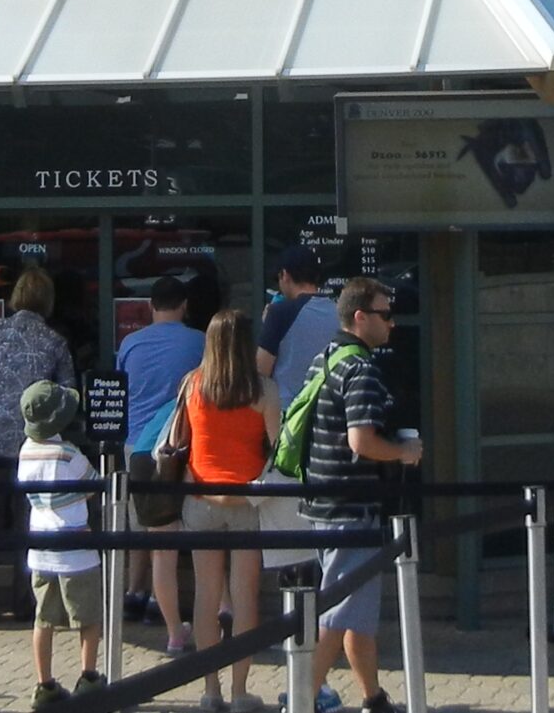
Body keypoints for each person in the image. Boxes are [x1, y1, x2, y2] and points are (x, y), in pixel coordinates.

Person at [302, 277, 421, 713]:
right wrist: (404, 453)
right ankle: (299, 700)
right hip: (350, 506)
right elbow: (361, 442)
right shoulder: (361, 368)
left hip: (325, 502)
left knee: (355, 609)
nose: (392, 323)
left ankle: (372, 697)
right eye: (385, 314)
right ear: (360, 316)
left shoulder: (327, 357)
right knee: (335, 613)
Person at [176, 309, 281, 713]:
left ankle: (210, 689)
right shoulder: (264, 390)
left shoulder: (192, 385)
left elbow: (182, 443)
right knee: (244, 597)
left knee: (205, 595)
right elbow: (278, 451)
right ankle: (240, 692)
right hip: (246, 500)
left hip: (201, 499)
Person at [0, 268, 76, 623]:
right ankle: (25, 602)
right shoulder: (55, 341)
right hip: (36, 443)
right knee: (28, 523)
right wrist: (53, 427)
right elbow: (69, 393)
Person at [115, 273, 206, 648]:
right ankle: (158, 601)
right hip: (180, 442)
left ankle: (135, 592)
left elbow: (119, 386)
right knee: (173, 529)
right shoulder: (200, 341)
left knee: (141, 525)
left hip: (136, 441)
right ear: (184, 306)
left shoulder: (130, 343)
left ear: (151, 306)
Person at [14, 380, 103, 713]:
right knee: (88, 617)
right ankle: (89, 676)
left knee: (43, 619)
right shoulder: (68, 453)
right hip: (75, 545)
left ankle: (44, 682)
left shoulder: (25, 451)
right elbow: (92, 485)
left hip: (40, 544)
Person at [256, 249, 338, 399]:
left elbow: (261, 371)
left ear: (285, 275)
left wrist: (267, 325)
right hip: (328, 408)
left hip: (289, 412)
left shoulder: (279, 312)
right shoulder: (338, 311)